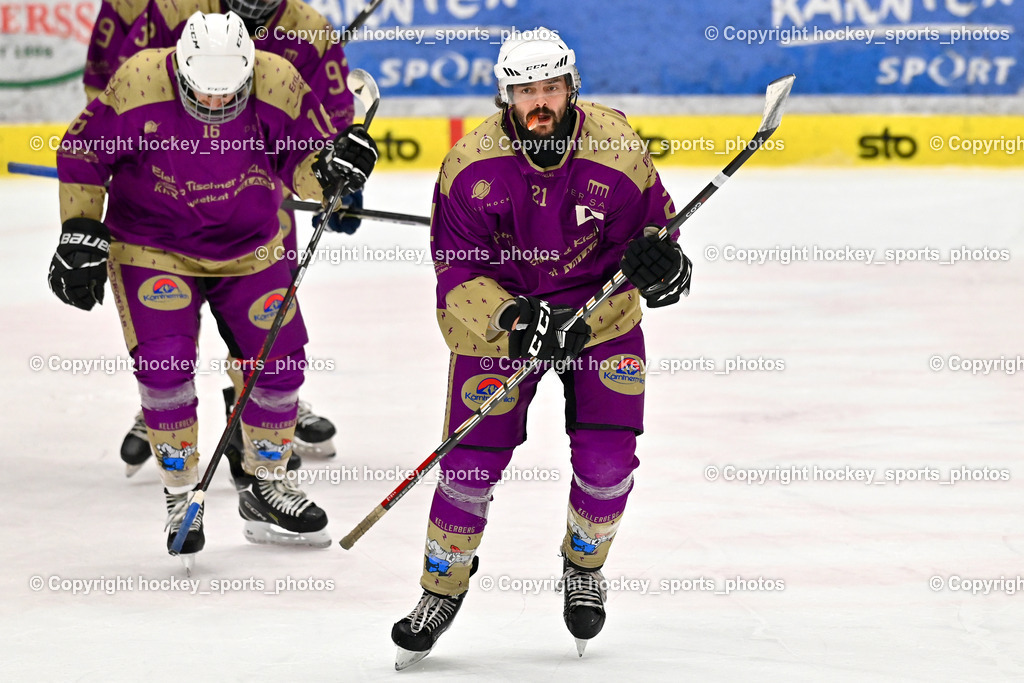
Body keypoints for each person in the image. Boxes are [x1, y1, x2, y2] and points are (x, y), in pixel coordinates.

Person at [390, 28, 693, 669]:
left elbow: (658, 240)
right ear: (506, 95)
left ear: (570, 86)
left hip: (600, 322)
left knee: (609, 462)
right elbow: (456, 274)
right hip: (502, 322)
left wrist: (666, 268)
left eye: (549, 87)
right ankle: (440, 589)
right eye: (525, 89)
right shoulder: (470, 166)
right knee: (469, 468)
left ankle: (584, 565)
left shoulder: (617, 148)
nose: (539, 102)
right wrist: (514, 319)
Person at [50, 11, 378, 562]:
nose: (216, 108)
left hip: (250, 247)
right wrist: (80, 228)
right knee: (164, 361)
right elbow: (82, 151)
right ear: (179, 70)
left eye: (229, 97)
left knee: (280, 361)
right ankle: (181, 494)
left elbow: (302, 161)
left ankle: (266, 483)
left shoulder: (278, 82)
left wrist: (331, 172)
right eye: (203, 95)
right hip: (152, 246)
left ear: (250, 74)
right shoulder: (138, 81)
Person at [86, 0, 358, 475]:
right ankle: (164, 401)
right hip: (165, 192)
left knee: (266, 317)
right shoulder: (173, 10)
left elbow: (331, 122)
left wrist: (339, 183)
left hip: (259, 188)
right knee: (165, 342)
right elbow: (114, 87)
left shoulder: (308, 29)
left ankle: (258, 403)